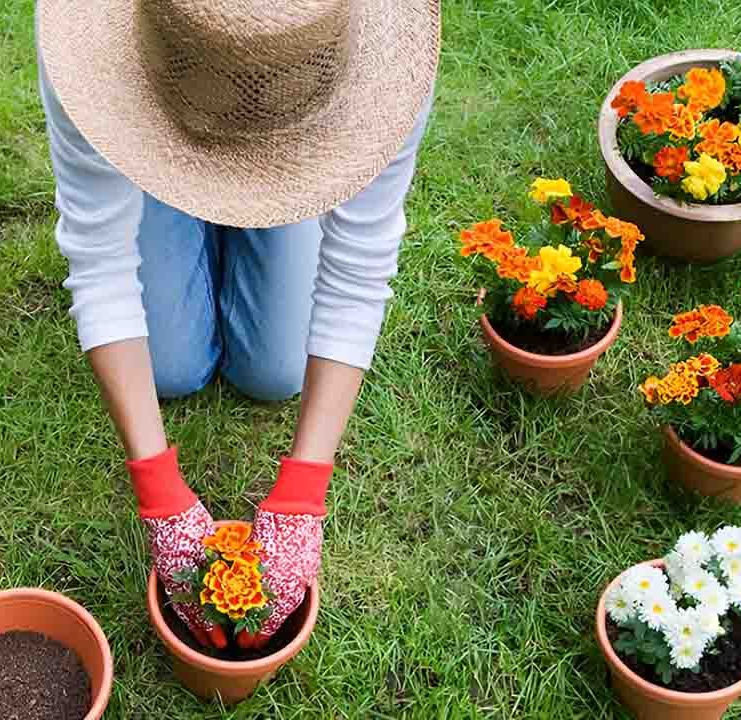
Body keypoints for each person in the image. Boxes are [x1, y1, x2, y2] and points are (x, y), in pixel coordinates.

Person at [36, 0, 440, 649]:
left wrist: (305, 493)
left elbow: (360, 267)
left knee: (275, 371)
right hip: (157, 119)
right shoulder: (86, 54)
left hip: (292, 121)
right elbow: (99, 258)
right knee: (171, 369)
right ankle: (185, 196)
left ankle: (266, 195)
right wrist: (159, 490)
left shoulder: (393, 71)